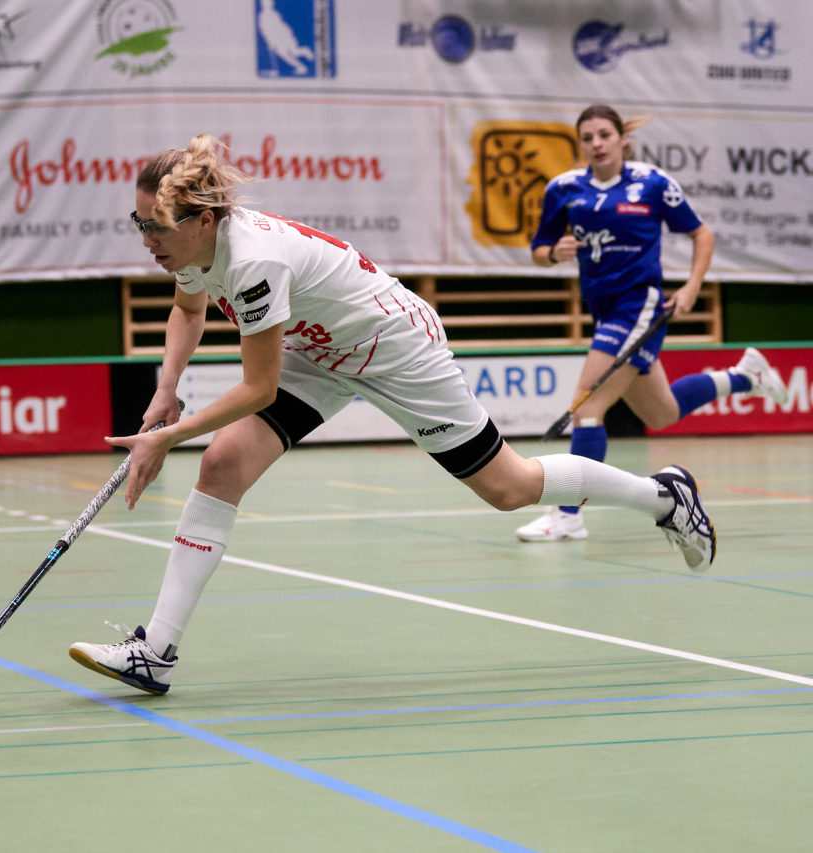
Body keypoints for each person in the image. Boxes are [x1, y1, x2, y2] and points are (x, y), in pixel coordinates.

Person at [67, 133, 716, 696]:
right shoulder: (191, 251)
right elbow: (187, 310)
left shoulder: (254, 261)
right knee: (223, 461)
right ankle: (157, 650)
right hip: (320, 349)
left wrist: (169, 437)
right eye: (140, 223)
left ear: (203, 219)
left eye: (156, 226)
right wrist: (166, 388)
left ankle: (664, 496)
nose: (147, 239)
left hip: (393, 346)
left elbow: (260, 388)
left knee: (508, 487)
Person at [514, 104, 788, 543]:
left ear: (622, 138)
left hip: (639, 305)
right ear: (580, 144)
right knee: (661, 413)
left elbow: (702, 234)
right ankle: (744, 376)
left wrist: (693, 286)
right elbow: (539, 248)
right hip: (602, 308)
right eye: (588, 138)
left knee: (587, 410)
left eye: (605, 134)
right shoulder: (563, 189)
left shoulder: (652, 184)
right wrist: (552, 254)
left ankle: (568, 515)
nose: (597, 144)